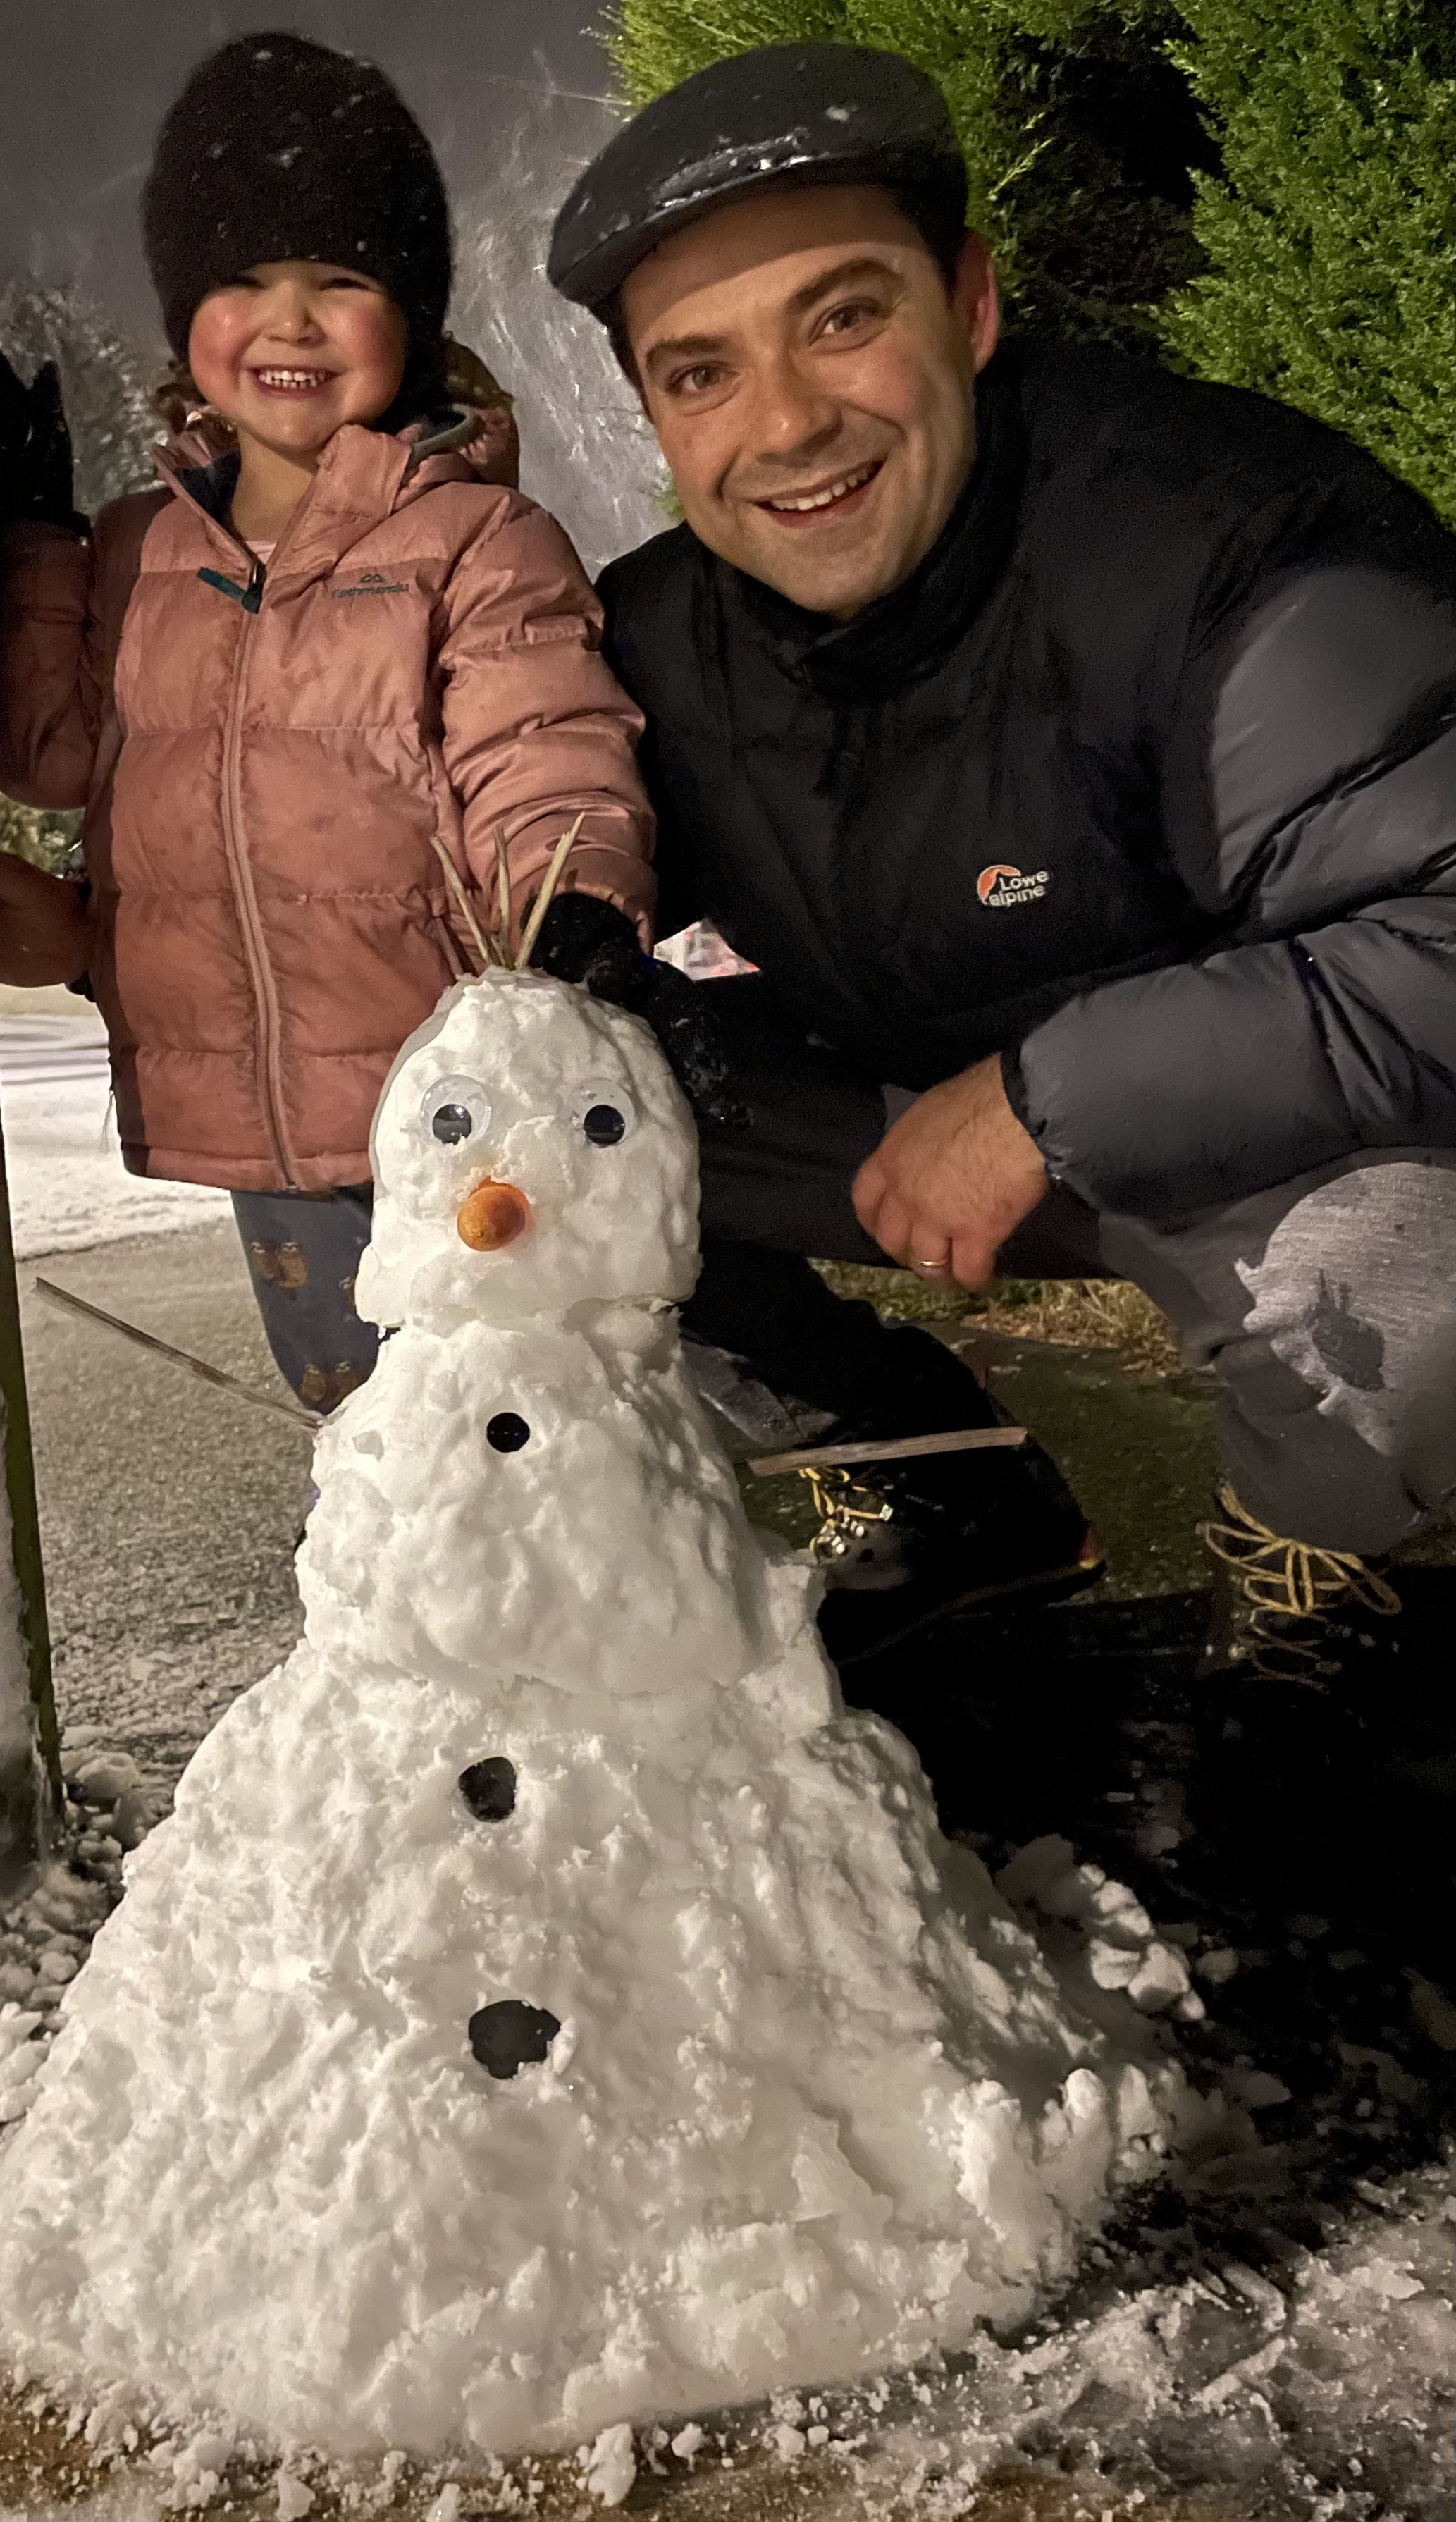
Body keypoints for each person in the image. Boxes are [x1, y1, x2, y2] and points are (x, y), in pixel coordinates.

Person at [541, 42, 1455, 1703]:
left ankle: (1313, 1552)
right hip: (884, 1116)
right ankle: (940, 1471)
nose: (788, 425)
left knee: (1414, 1289)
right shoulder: (652, 641)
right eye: (701, 374)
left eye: (841, 317)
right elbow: (491, 890)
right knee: (517, 1124)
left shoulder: (1225, 546)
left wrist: (1042, 1099)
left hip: (1233, 1169)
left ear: (965, 306)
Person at [0, 32, 655, 1408]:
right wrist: (42, 543)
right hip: (250, 1103)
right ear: (188, 318)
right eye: (241, 279)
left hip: (452, 1095)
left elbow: (542, 745)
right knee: (350, 1407)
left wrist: (566, 906)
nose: (287, 319)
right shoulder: (130, 553)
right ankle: (384, 1579)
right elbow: (47, 759)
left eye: (337, 280)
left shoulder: (473, 539)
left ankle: (578, 1595)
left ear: (406, 312)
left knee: (521, 1398)